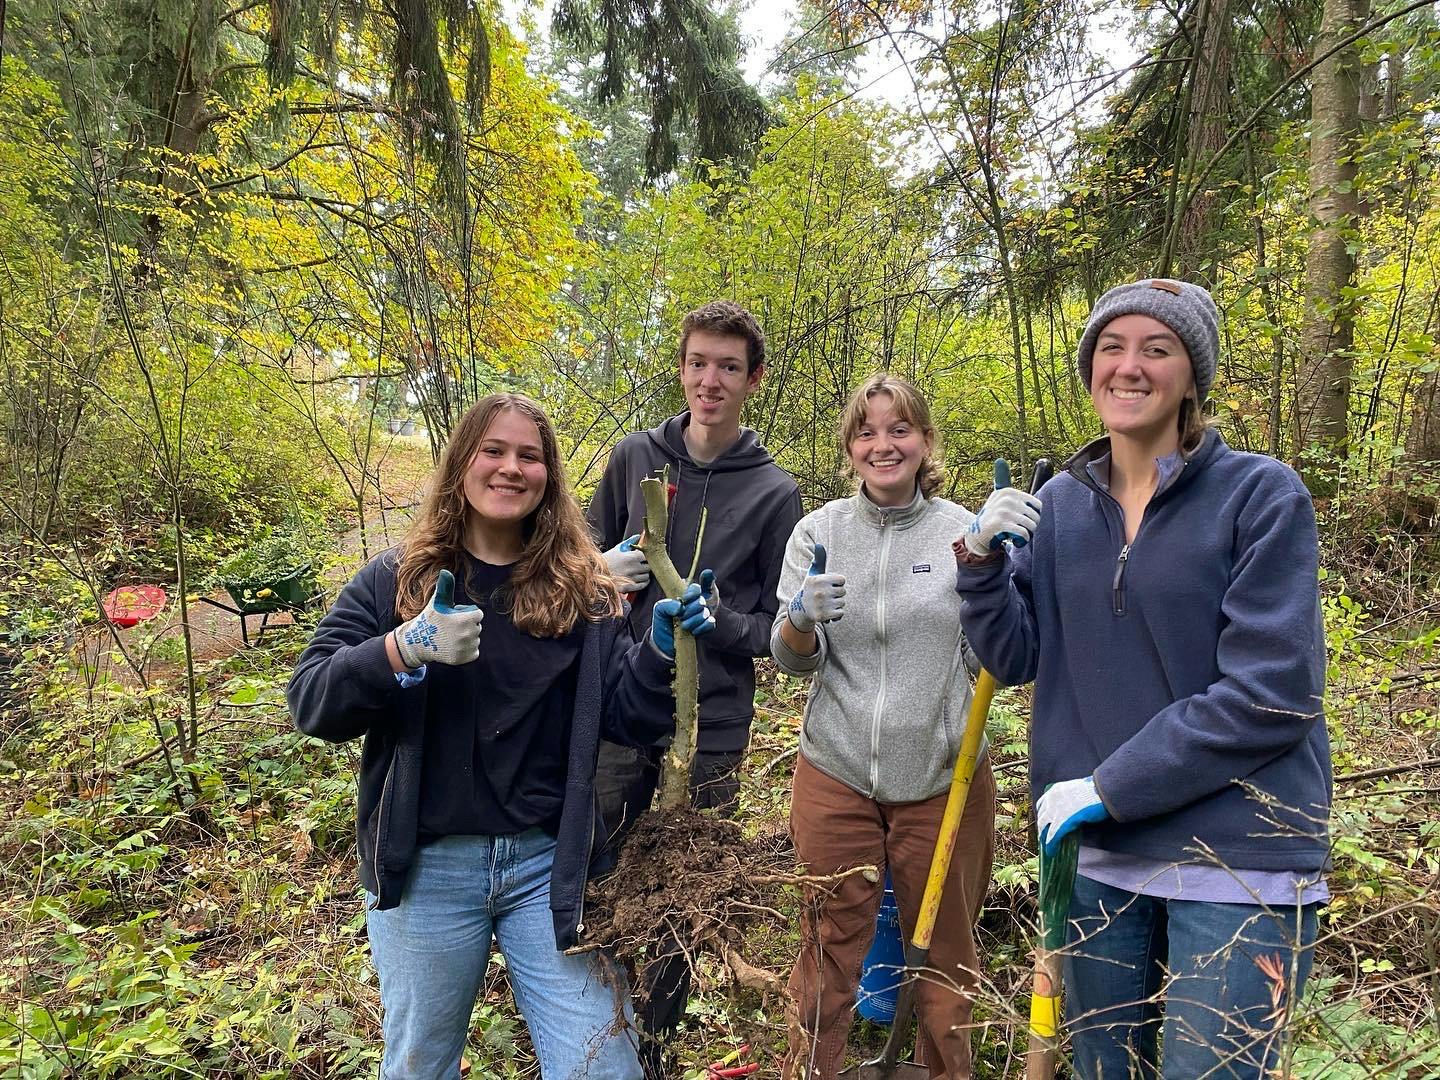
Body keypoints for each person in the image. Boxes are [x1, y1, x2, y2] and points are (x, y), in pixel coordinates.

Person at [956, 279, 1331, 1079]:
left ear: (1192, 375)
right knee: (1104, 1069)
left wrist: (1109, 785)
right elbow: (1015, 657)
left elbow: (1273, 692)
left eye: (1156, 349)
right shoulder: (1060, 505)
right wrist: (981, 563)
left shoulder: (1260, 495)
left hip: (1237, 859)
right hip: (1101, 859)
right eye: (1111, 348)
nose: (1129, 366)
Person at [287, 392, 720, 1080]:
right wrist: (404, 646)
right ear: (462, 463)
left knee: (604, 1066)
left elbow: (625, 720)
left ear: (549, 476)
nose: (511, 467)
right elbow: (312, 703)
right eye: (493, 450)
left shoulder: (583, 590)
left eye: (529, 455)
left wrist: (658, 654)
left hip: (548, 868)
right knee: (420, 1066)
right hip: (428, 869)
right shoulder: (395, 581)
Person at [587, 300, 803, 1073]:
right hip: (621, 707)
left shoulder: (775, 492)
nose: (711, 381)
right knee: (598, 865)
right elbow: (574, 562)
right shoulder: (633, 459)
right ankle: (594, 1028)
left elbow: (779, 628)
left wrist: (723, 622)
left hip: (712, 723)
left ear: (754, 379)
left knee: (688, 889)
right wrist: (600, 572)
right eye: (699, 364)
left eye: (729, 368)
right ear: (681, 369)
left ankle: (655, 1042)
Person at [771, 372, 996, 1079]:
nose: (883, 444)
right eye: (866, 432)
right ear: (849, 448)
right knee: (827, 952)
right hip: (836, 772)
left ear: (925, 441)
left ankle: (944, 1071)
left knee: (947, 958)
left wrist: (998, 567)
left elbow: (993, 655)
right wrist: (800, 617)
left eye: (899, 429)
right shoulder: (819, 532)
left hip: (943, 776)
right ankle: (812, 1070)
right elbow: (792, 659)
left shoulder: (963, 532)